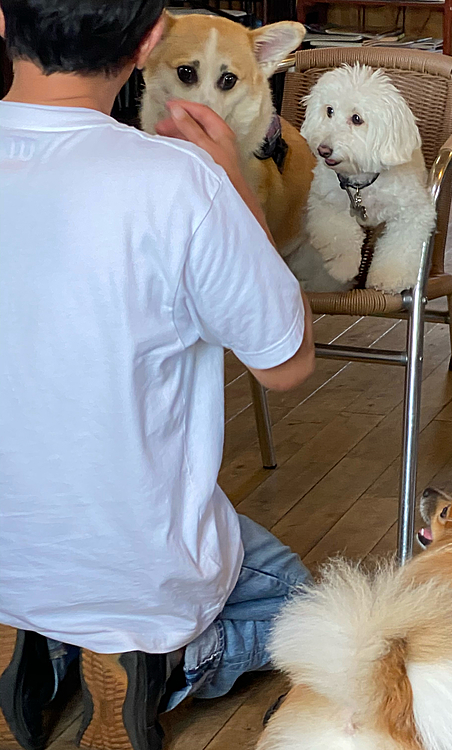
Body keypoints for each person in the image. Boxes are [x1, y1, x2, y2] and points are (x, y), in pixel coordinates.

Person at [0, 2, 315, 749]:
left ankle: (31, 639)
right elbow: (287, 361)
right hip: (132, 560)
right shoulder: (180, 183)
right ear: (147, 43)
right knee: (297, 596)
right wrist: (234, 184)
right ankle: (158, 658)